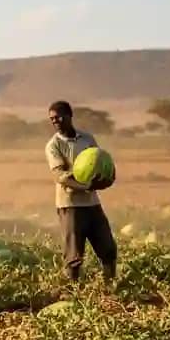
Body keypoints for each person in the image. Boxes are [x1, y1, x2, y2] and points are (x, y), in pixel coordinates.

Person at [45, 100, 117, 281]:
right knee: (74, 254)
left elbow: (100, 163)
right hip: (70, 205)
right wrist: (86, 186)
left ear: (69, 116)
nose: (56, 122)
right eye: (52, 119)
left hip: (92, 203)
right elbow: (60, 176)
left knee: (107, 247)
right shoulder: (53, 145)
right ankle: (73, 291)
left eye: (59, 117)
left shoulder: (87, 139)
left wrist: (108, 179)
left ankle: (110, 286)